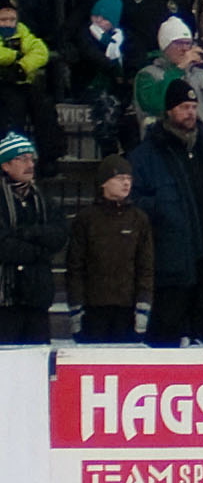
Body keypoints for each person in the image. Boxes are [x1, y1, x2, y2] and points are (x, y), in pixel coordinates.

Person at [129, 90, 203, 342]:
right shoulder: (147, 154)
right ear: (169, 111)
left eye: (193, 106)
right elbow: (134, 199)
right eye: (183, 107)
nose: (190, 112)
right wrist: (164, 209)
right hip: (171, 259)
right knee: (166, 334)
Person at [68, 160, 150, 341]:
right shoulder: (86, 219)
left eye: (129, 178)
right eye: (119, 178)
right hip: (93, 308)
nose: (126, 183)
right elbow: (75, 267)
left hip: (127, 309)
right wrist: (76, 307)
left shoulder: (139, 219)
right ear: (104, 183)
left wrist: (143, 304)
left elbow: (145, 266)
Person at [0, 128, 55, 341]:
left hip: (37, 298)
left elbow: (58, 235)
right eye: (22, 159)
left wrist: (25, 233)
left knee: (38, 357)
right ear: (5, 165)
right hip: (5, 302)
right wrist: (38, 250)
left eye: (31, 158)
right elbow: (3, 246)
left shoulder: (42, 198)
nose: (30, 164)